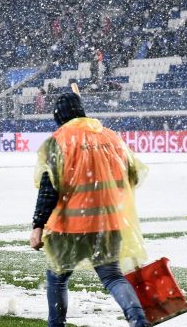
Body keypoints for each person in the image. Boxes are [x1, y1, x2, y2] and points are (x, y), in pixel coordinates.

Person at [29, 93, 150, 327]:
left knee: (57, 279)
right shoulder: (111, 137)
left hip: (70, 227)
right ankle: (138, 320)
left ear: (59, 116)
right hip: (108, 224)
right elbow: (133, 175)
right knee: (113, 277)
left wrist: (38, 225)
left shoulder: (58, 141)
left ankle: (56, 324)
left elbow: (48, 188)